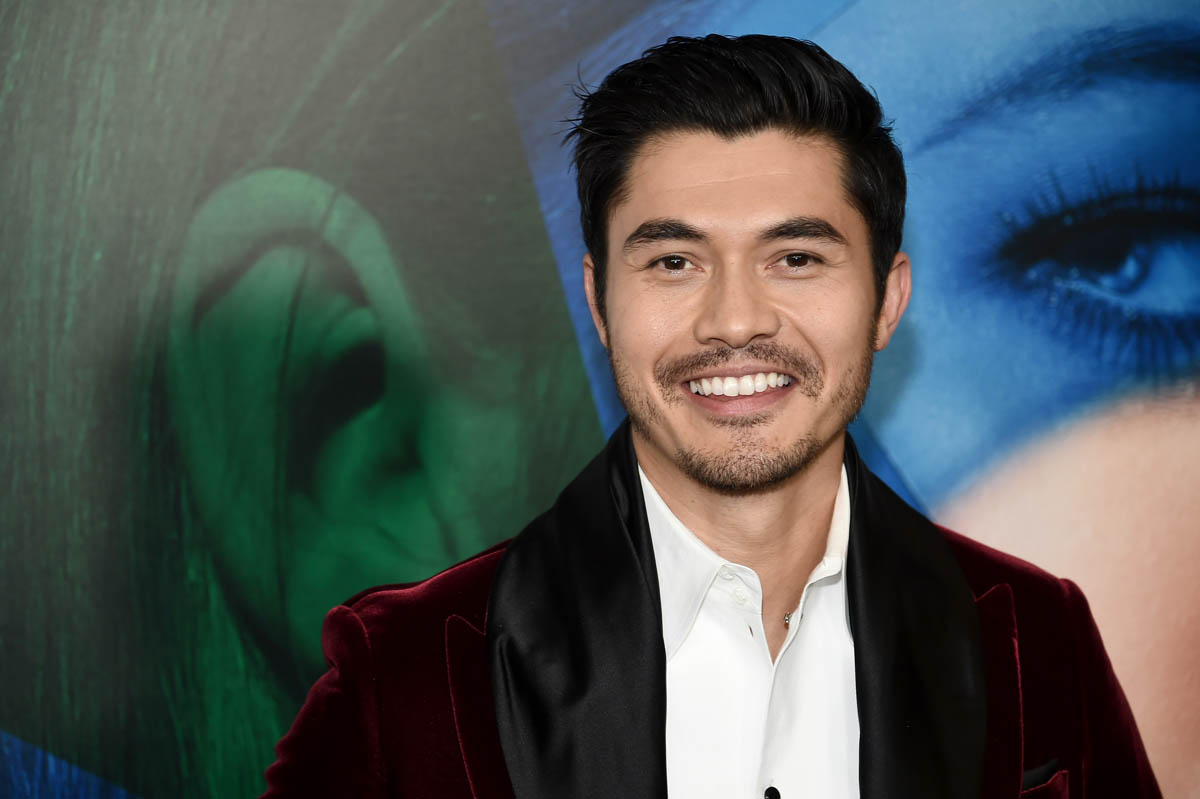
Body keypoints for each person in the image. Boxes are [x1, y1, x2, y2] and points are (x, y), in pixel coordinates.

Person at [263, 34, 1159, 798]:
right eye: (674, 263)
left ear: (888, 301)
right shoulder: (403, 676)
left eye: (796, 257)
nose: (735, 321)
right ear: (599, 302)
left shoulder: (1036, 634)